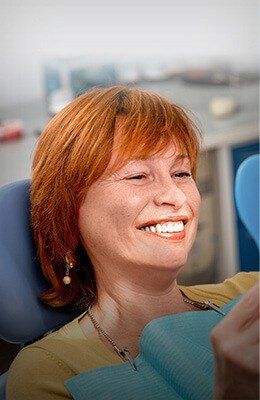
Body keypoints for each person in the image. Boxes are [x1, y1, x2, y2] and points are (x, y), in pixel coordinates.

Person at [7, 86, 259, 399]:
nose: (176, 196)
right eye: (138, 176)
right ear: (69, 214)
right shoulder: (48, 373)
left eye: (180, 173)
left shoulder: (249, 293)